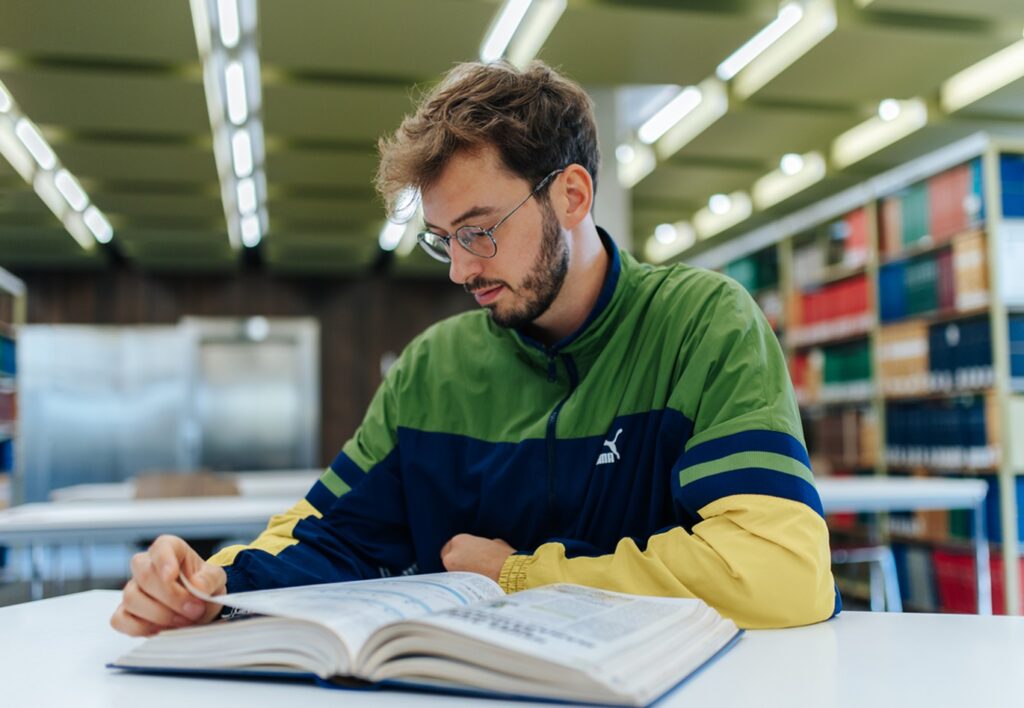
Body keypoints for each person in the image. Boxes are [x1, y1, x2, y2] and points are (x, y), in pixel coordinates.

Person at [111, 60, 839, 637]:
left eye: (480, 230)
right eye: (444, 240)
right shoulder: (434, 368)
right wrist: (207, 583)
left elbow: (779, 570)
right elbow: (330, 537)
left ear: (573, 196)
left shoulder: (703, 327)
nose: (461, 270)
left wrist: (522, 574)